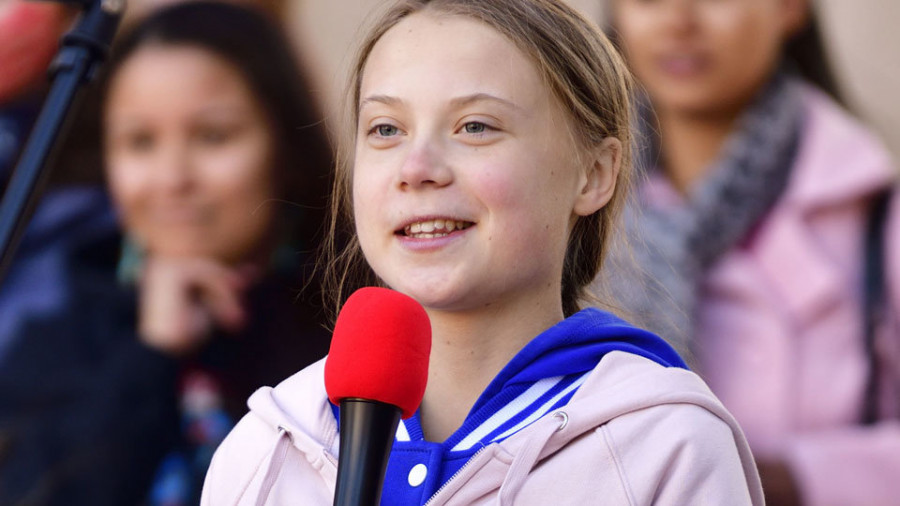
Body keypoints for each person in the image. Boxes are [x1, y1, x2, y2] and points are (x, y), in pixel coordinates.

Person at [200, 1, 764, 504]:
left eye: (475, 126)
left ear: (594, 173)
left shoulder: (665, 445)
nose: (416, 169)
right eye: (385, 129)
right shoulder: (271, 444)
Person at [0, 2, 332, 505]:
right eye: (140, 142)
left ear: (284, 142)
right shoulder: (56, 320)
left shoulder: (344, 323)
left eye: (213, 136)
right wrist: (150, 355)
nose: (173, 178)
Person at [605, 0, 900, 504]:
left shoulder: (874, 211)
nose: (679, 21)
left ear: (790, 9)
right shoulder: (576, 211)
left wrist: (796, 477)